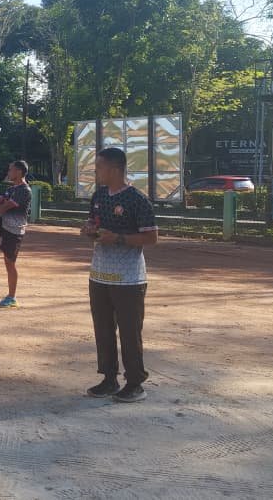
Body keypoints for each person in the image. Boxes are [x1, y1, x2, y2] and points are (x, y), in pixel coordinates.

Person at [81, 147, 158, 403]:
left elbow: (151, 237)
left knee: (129, 331)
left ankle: (135, 383)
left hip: (128, 278)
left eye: (99, 167)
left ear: (114, 169)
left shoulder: (137, 199)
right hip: (99, 274)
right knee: (103, 329)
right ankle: (109, 378)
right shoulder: (99, 195)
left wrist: (118, 238)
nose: (96, 172)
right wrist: (89, 230)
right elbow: (94, 223)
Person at [0, 160, 32, 308]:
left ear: (19, 172)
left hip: (15, 229)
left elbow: (5, 207)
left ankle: (12, 298)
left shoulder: (24, 190)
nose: (8, 172)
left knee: (9, 263)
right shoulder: (11, 189)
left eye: (10, 170)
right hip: (4, 224)